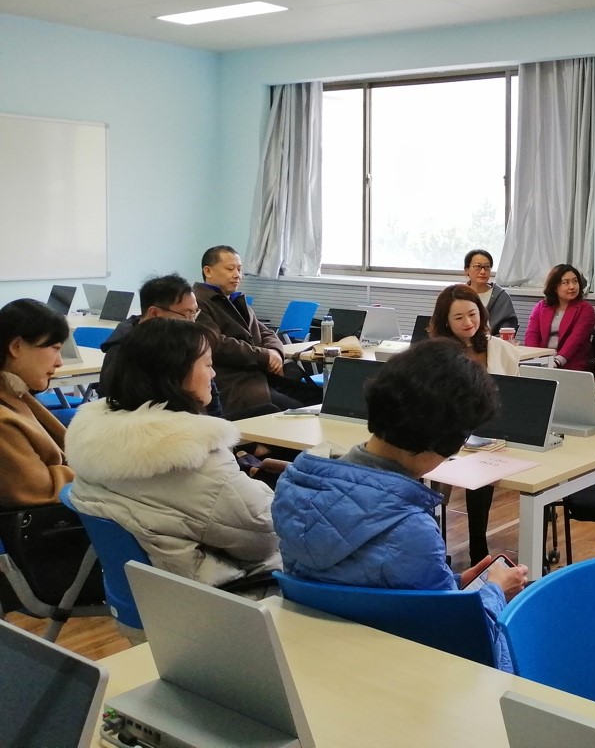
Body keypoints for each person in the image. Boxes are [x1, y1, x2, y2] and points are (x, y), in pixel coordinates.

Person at [270, 339, 530, 672]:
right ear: (443, 442)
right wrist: (495, 590)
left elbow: (365, 586)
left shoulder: (294, 487)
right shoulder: (410, 529)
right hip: (402, 671)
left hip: (323, 660)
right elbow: (459, 640)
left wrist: (451, 582)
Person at [65, 318, 280, 586]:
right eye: (208, 365)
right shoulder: (194, 459)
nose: (214, 374)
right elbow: (268, 536)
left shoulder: (93, 438)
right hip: (224, 595)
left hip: (150, 591)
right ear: (176, 374)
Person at [429, 284, 521, 563]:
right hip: (445, 430)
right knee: (437, 475)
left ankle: (478, 549)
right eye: (459, 317)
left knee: (482, 471)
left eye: (473, 314)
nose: (468, 322)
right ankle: (433, 545)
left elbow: (514, 395)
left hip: (489, 432)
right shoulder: (436, 353)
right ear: (446, 321)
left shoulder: (501, 350)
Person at [193, 245, 319, 417]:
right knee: (300, 412)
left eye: (239, 269)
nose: (237, 275)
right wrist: (265, 357)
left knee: (320, 399)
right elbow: (218, 344)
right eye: (230, 269)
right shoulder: (198, 303)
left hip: (263, 378)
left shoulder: (234, 299)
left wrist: (275, 352)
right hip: (236, 384)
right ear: (208, 271)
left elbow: (267, 332)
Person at [98, 274, 216, 409]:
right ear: (154, 313)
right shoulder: (124, 348)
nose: (192, 322)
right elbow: (114, 401)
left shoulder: (189, 343)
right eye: (186, 315)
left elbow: (213, 399)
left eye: (194, 314)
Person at [0, 299, 74, 508]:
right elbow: (41, 489)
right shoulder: (3, 420)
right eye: (54, 348)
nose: (59, 362)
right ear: (16, 347)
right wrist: (96, 475)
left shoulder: (16, 393)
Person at [524, 264, 595, 372]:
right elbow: (532, 334)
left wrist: (556, 362)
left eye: (575, 281)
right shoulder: (541, 307)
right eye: (566, 282)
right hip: (543, 360)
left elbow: (575, 340)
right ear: (555, 287)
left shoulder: (586, 309)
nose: (572, 286)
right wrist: (534, 358)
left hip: (571, 364)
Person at [464, 249, 518, 339]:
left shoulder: (501, 297)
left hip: (493, 344)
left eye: (487, 267)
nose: (483, 272)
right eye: (477, 267)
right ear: (466, 270)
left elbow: (508, 328)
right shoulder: (458, 295)